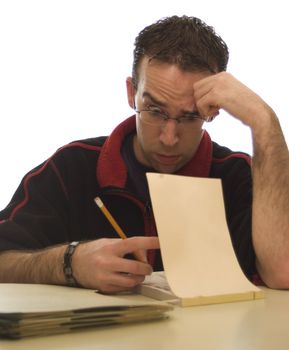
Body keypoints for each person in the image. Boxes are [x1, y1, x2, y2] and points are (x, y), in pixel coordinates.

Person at [0, 15, 289, 293]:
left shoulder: (240, 175)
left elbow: (283, 271)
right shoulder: (72, 167)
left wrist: (264, 121)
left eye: (190, 117)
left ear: (212, 109)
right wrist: (68, 263)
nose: (169, 138)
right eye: (154, 111)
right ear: (131, 93)